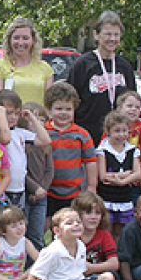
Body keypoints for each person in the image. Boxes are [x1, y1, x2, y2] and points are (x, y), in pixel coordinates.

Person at [68, 10, 136, 144]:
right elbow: (70, 99)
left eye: (116, 35)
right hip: (88, 135)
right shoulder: (83, 64)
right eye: (108, 34)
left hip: (119, 136)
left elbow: (133, 98)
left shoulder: (125, 66)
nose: (112, 39)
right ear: (96, 34)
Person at [26, 209, 114, 280]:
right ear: (57, 231)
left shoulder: (80, 246)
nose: (76, 224)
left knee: (108, 277)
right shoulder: (52, 251)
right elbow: (34, 275)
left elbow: (81, 271)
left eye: (79, 222)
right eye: (69, 223)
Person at [43, 81, 98, 220]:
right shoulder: (43, 132)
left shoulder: (82, 134)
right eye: (59, 108)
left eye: (68, 109)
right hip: (47, 190)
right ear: (49, 110)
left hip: (74, 191)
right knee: (46, 224)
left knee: (72, 222)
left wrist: (91, 186)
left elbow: (90, 161)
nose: (63, 113)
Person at [0, 89, 51, 211]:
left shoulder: (21, 133)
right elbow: (6, 139)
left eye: (16, 113)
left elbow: (45, 140)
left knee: (18, 223)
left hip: (19, 188)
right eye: (8, 113)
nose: (13, 117)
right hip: (3, 189)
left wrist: (32, 118)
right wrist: (0, 115)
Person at [0, 17, 54, 104]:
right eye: (16, 38)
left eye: (25, 38)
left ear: (33, 40)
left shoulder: (45, 68)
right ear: (9, 40)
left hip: (37, 117)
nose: (20, 43)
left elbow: (49, 104)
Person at [96, 111, 141, 242]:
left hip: (124, 197)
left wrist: (123, 181)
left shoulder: (132, 150)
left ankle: (119, 257)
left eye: (124, 131)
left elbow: (138, 174)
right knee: (106, 230)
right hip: (107, 197)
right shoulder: (103, 150)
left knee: (121, 232)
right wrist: (125, 174)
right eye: (117, 131)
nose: (121, 135)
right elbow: (103, 176)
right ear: (108, 131)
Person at [0, 205, 40, 280]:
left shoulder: (25, 242)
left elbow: (40, 260)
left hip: (20, 278)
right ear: (2, 231)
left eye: (21, 223)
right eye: (14, 226)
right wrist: (2, 278)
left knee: (39, 273)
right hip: (1, 279)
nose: (19, 228)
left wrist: (23, 276)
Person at [22, 102, 54, 251]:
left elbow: (49, 170)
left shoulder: (45, 144)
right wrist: (34, 188)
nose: (37, 123)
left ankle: (37, 265)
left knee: (37, 233)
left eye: (41, 119)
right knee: (22, 231)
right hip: (25, 192)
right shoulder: (22, 142)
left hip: (41, 196)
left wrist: (42, 189)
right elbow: (21, 170)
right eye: (33, 118)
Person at [112, 91, 141, 203]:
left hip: (136, 179)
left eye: (137, 107)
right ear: (119, 109)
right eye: (129, 106)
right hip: (115, 175)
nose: (133, 109)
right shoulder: (111, 125)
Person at [72, 192, 119, 280]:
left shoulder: (104, 235)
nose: (93, 217)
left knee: (113, 275)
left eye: (97, 213)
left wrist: (91, 268)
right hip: (73, 273)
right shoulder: (71, 235)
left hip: (97, 272)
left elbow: (114, 263)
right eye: (88, 213)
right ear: (78, 214)